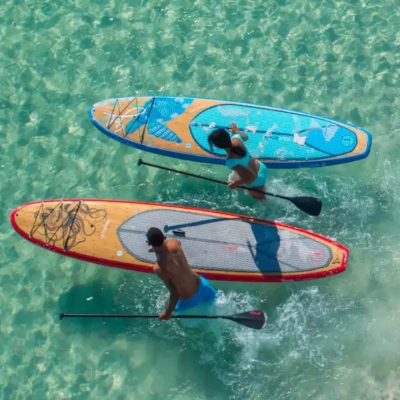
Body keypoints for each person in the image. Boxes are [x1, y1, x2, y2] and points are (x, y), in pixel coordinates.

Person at [146, 227, 217, 320]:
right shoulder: (174, 243)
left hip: (190, 299)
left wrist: (167, 313)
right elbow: (173, 247)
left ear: (149, 243)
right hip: (202, 285)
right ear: (164, 237)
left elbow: (175, 293)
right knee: (217, 303)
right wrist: (158, 247)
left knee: (164, 305)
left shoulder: (158, 268)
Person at [208, 122, 268, 200]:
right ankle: (262, 188)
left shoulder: (230, 161)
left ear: (218, 146)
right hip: (260, 167)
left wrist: (235, 184)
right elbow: (246, 137)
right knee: (237, 176)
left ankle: (261, 191)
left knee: (264, 202)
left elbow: (251, 175)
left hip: (255, 180)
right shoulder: (236, 138)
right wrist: (236, 131)